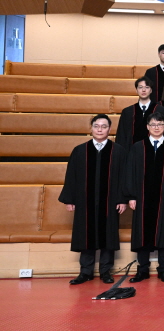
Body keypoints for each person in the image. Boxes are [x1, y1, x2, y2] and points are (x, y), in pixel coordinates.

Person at [59, 114, 128, 285]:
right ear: (91, 128)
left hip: (109, 201)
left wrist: (122, 199)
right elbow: (72, 176)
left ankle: (106, 271)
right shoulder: (80, 151)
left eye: (104, 126)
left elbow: (124, 178)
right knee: (86, 233)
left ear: (109, 129)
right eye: (96, 126)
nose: (99, 129)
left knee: (108, 234)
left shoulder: (118, 151)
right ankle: (85, 271)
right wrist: (70, 199)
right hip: (85, 201)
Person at [124, 112, 164, 283]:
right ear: (147, 127)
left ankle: (163, 270)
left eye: (160, 124)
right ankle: (142, 270)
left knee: (163, 233)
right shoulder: (138, 147)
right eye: (153, 124)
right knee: (142, 233)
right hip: (141, 198)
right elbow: (130, 172)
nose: (156, 127)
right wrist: (131, 196)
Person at [116, 76, 158, 149]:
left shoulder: (160, 110)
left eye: (147, 87)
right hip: (131, 151)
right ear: (136, 90)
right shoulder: (127, 112)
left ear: (151, 90)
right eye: (140, 87)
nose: (143, 90)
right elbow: (121, 135)